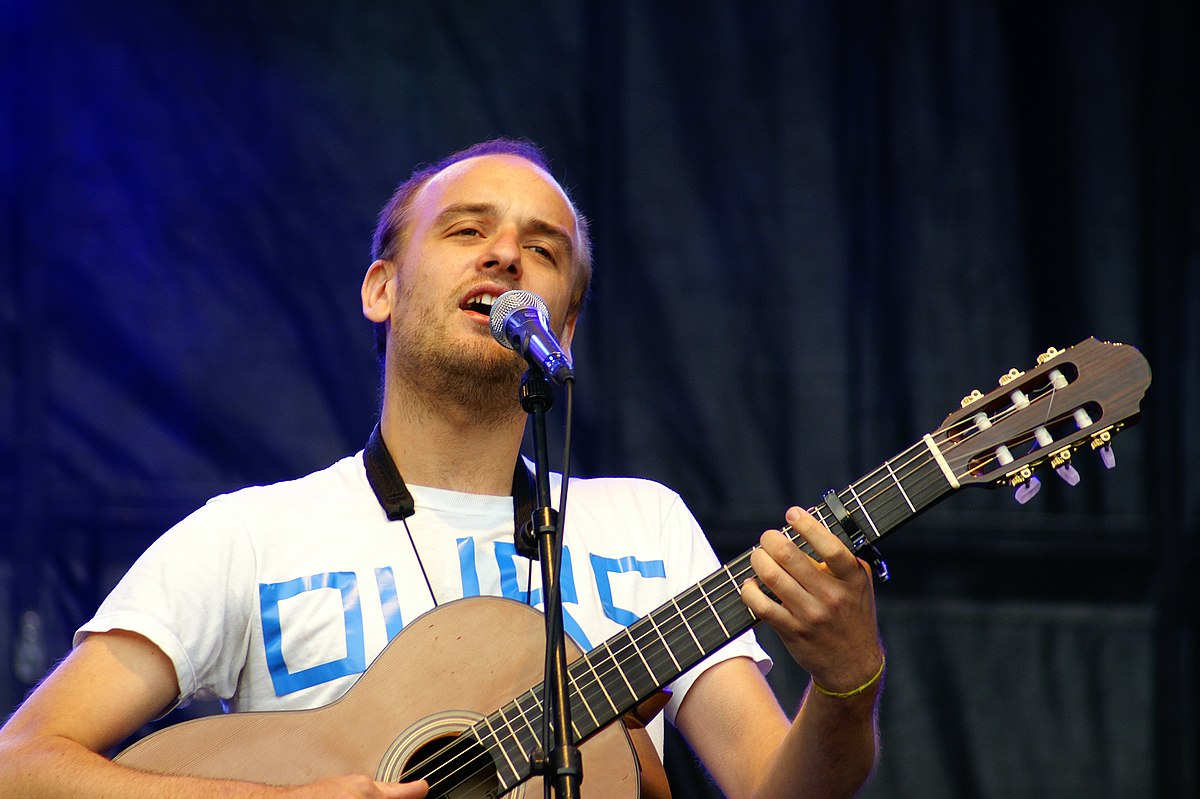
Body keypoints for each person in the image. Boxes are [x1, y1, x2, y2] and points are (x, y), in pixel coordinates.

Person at [0, 139, 884, 798]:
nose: (505, 255)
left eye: (543, 250)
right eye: (467, 230)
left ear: (563, 330)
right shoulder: (248, 535)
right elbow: (21, 764)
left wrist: (848, 687)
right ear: (380, 288)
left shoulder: (645, 525)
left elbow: (775, 786)